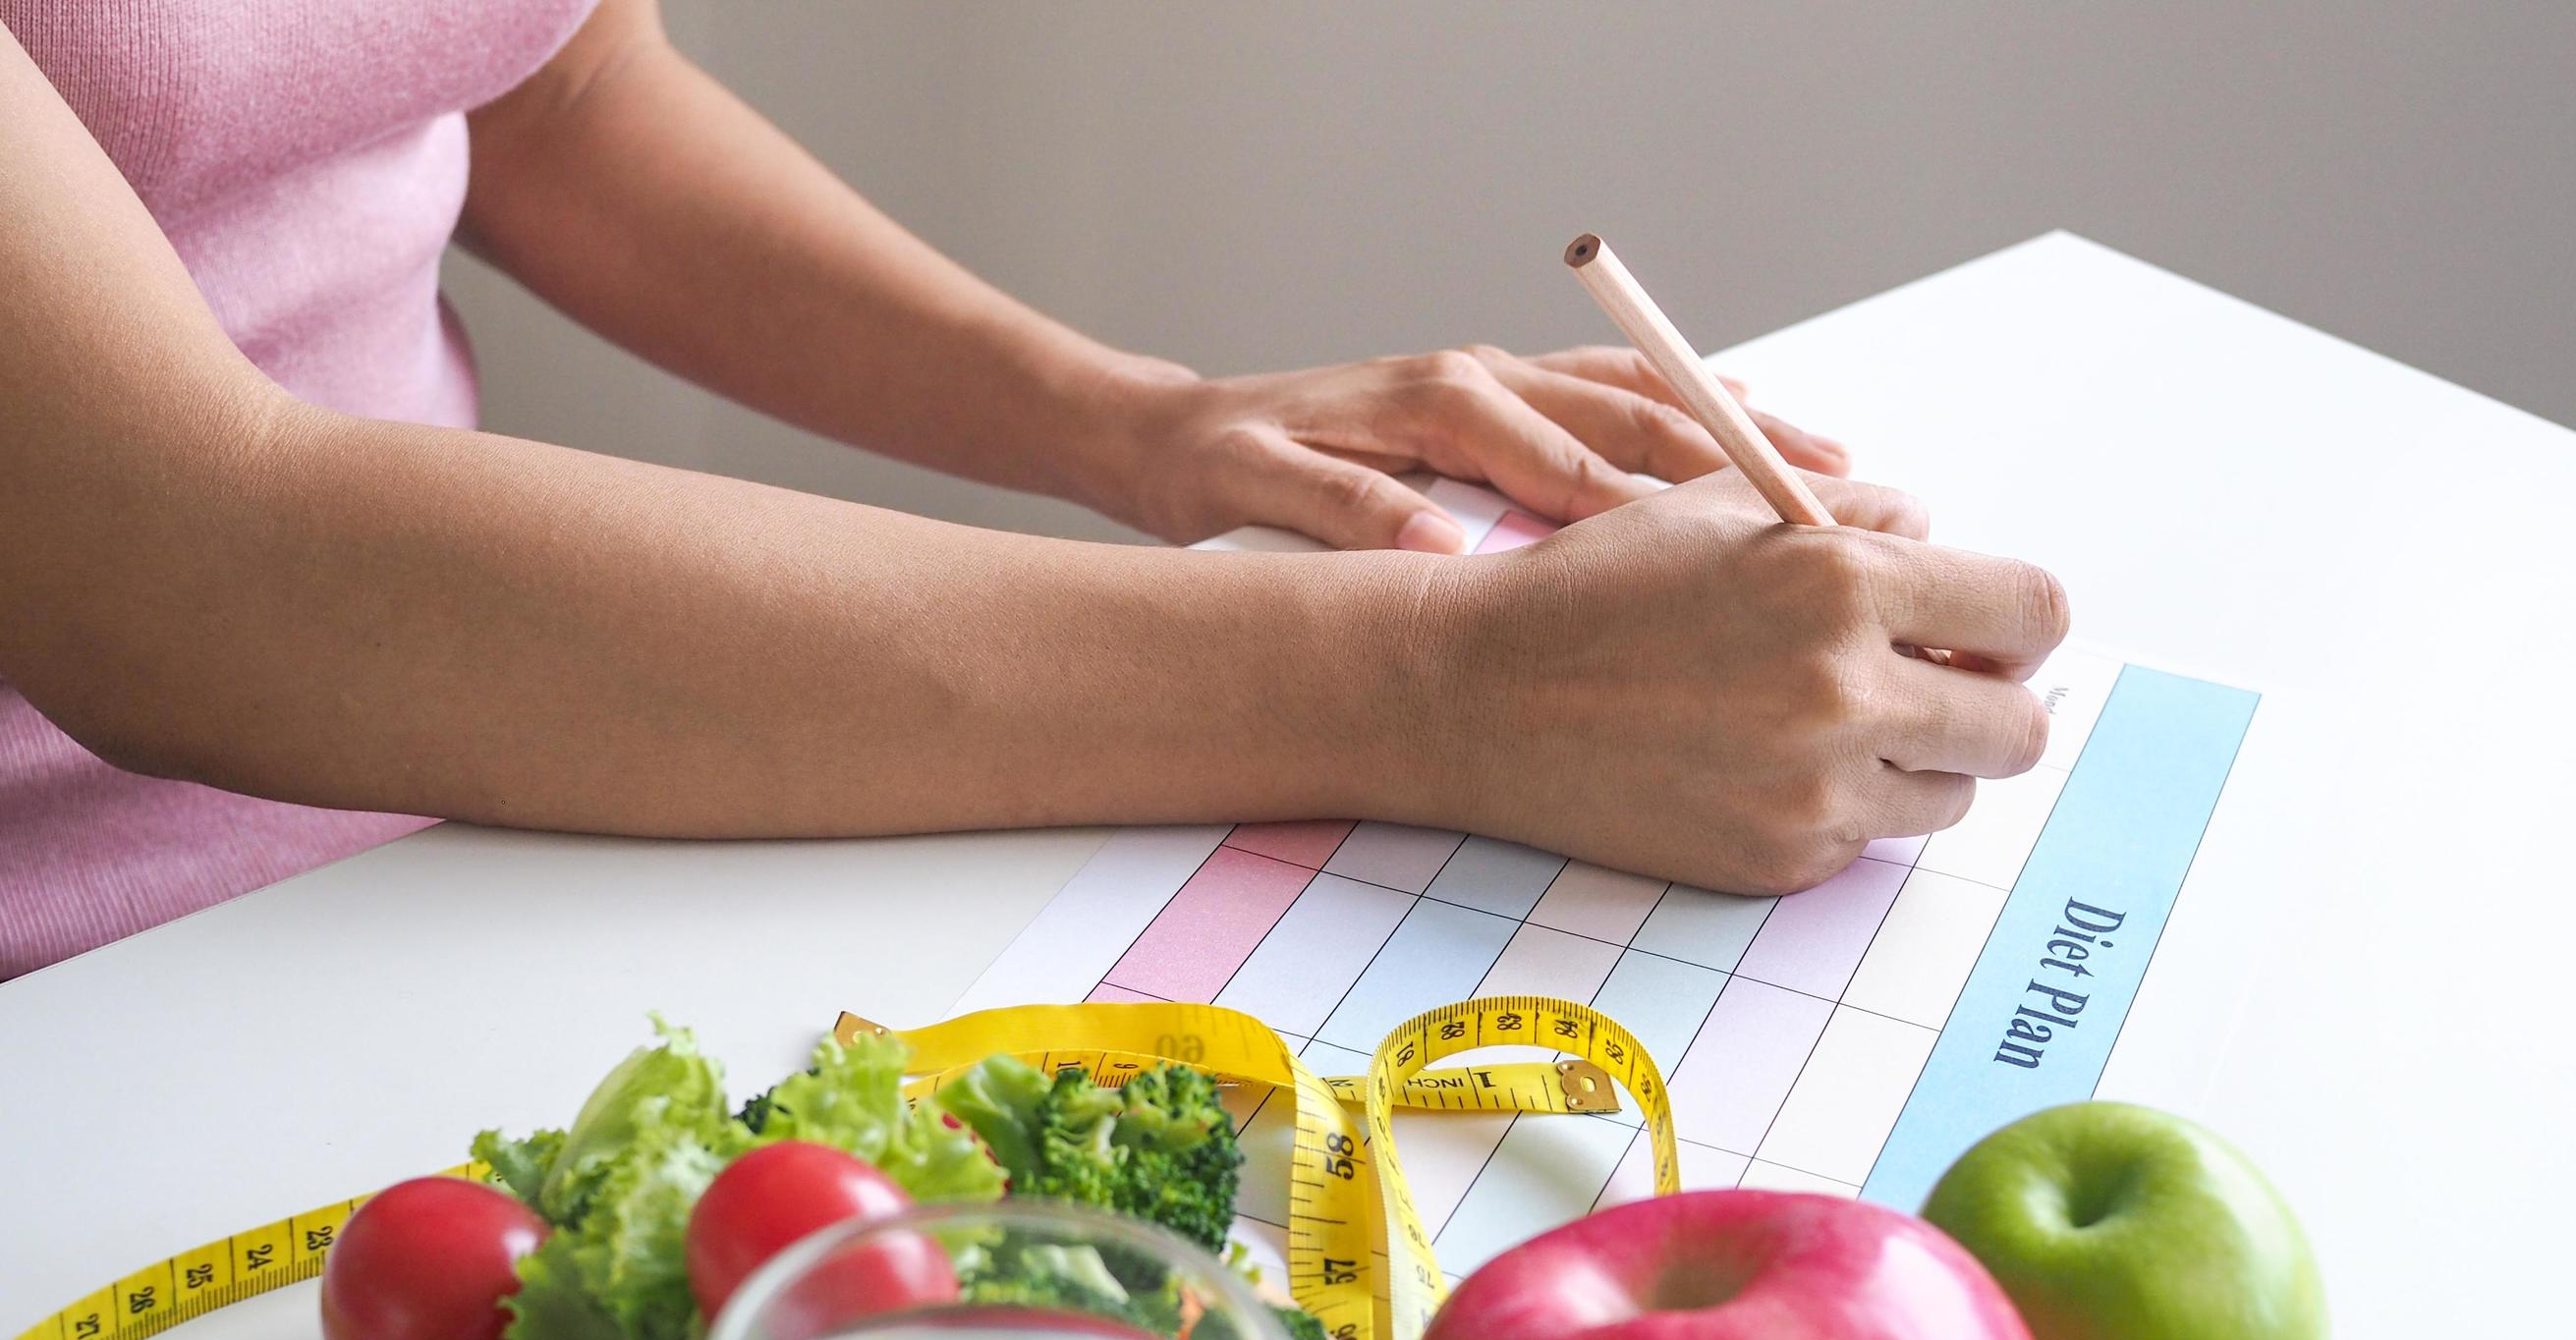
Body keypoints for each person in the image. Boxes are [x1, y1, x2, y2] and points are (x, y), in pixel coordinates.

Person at [0, 0, 2067, 980]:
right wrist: (1454, 679)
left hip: (441, 849)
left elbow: (547, 79)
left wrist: (1130, 417)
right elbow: (197, 560)